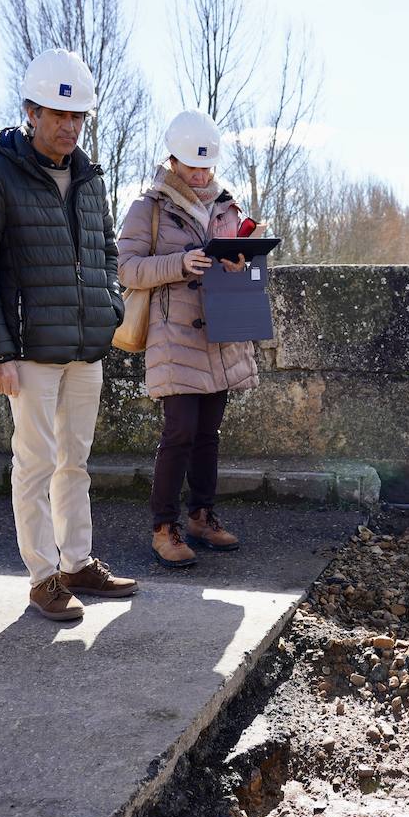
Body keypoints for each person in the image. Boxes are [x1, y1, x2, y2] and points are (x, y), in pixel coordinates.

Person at [0, 49, 135, 621]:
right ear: (30, 111)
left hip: (86, 347)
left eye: (78, 116)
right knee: (34, 464)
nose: (69, 126)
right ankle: (42, 576)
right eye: (58, 114)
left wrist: (110, 306)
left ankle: (77, 562)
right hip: (28, 352)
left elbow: (107, 251)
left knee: (75, 462)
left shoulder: (89, 178)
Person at [116, 109, 260, 568]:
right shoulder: (148, 208)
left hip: (222, 333)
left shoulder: (228, 206)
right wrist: (180, 263)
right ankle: (164, 526)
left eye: (206, 167)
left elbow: (254, 271)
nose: (199, 175)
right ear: (173, 160)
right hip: (174, 335)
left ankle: (201, 515)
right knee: (179, 431)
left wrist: (244, 264)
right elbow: (125, 268)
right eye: (191, 166)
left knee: (208, 434)